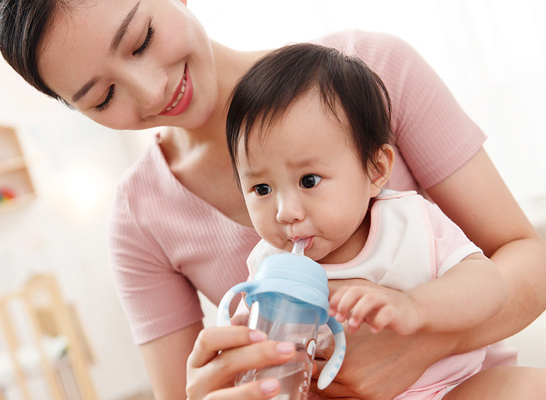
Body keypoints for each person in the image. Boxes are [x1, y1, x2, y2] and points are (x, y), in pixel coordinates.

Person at [0, 0, 546, 399]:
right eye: (103, 96)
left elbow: (528, 260)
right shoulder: (140, 218)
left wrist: (419, 344)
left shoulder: (370, 72)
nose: (151, 90)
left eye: (142, 39)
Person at [223, 42, 544, 399]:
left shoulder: (407, 222)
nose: (285, 212)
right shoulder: (268, 265)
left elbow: (490, 286)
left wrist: (417, 307)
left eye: (309, 181)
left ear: (376, 171)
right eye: (262, 188)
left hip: (456, 386)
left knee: (532, 387)